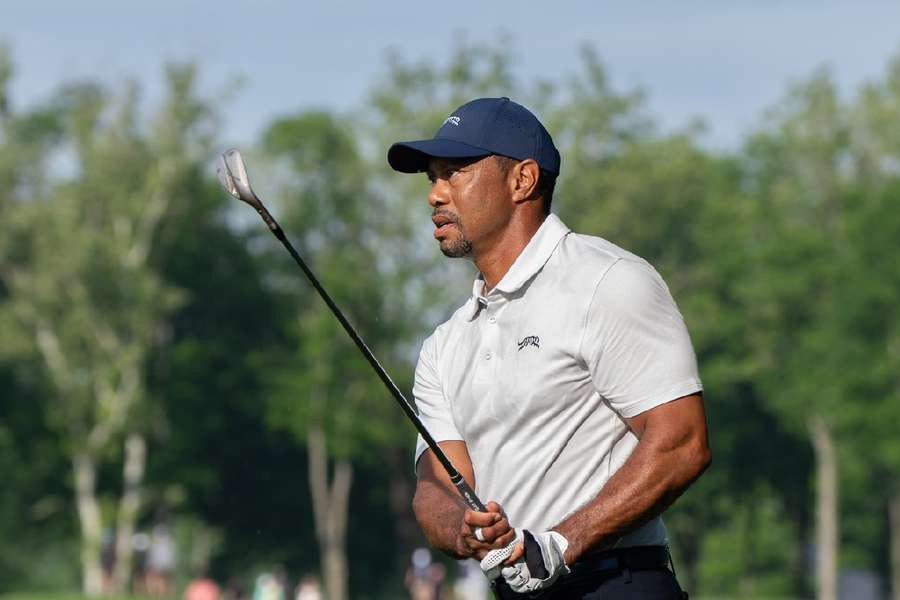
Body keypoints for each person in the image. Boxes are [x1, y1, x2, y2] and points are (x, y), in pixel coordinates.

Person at [387, 97, 711, 599]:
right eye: (432, 177)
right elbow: (435, 486)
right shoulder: (444, 344)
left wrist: (562, 543)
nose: (435, 194)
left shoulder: (606, 281)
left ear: (523, 180)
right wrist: (463, 528)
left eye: (454, 172)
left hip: (617, 585)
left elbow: (683, 443)